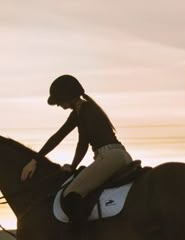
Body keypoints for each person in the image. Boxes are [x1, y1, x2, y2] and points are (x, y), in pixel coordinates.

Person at [21, 75, 133, 222]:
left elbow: (83, 143)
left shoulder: (86, 111)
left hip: (109, 157)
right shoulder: (80, 112)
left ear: (67, 96)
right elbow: (58, 136)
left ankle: (81, 238)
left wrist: (73, 167)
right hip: (118, 155)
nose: (57, 105)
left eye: (58, 101)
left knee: (70, 195)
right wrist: (35, 159)